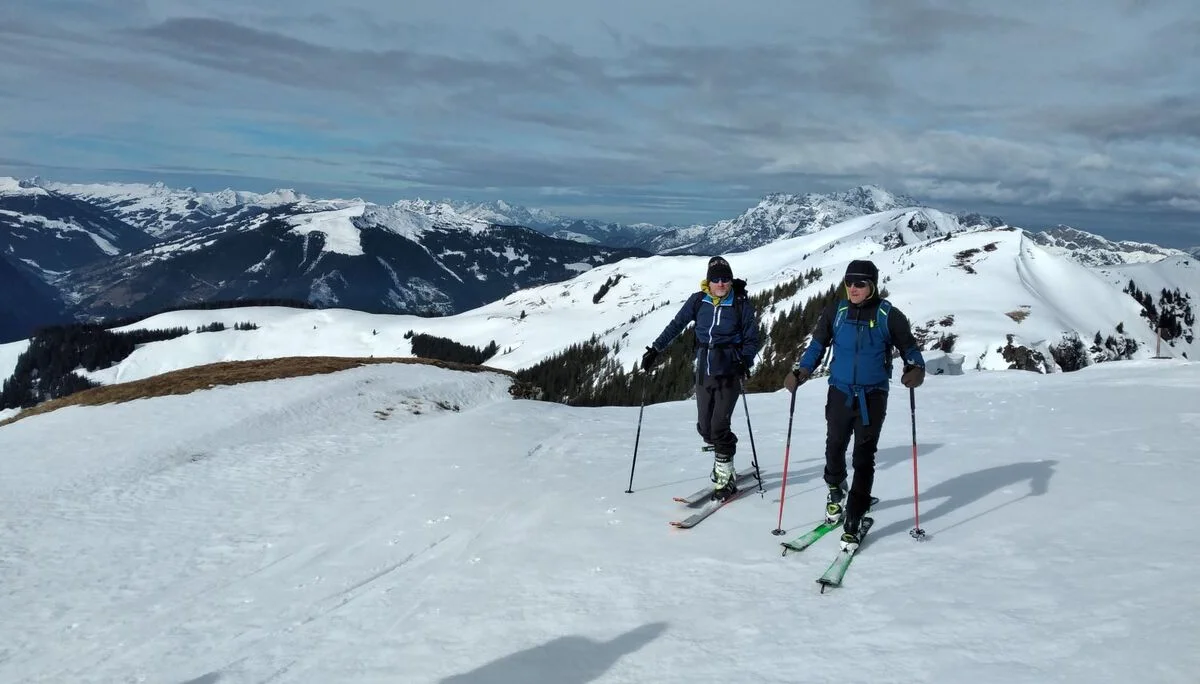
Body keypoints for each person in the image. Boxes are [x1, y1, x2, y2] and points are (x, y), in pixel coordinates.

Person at [783, 259, 926, 548]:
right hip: (840, 392)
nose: (853, 288)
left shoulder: (889, 315)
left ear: (872, 285)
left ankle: (855, 513)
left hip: (873, 396)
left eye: (859, 283)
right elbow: (818, 344)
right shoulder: (836, 312)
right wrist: (803, 370)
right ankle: (836, 494)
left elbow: (909, 347)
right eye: (848, 282)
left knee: (864, 456)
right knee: (834, 447)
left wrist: (915, 368)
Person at [641, 256, 761, 501]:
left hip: (729, 370)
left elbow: (752, 340)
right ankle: (724, 454)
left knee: (718, 426)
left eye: (725, 279)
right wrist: (655, 349)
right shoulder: (698, 301)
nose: (721, 283)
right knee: (705, 428)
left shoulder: (741, 306)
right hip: (704, 370)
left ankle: (724, 475)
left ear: (730, 280)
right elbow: (676, 325)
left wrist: (744, 361)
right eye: (716, 279)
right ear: (708, 281)